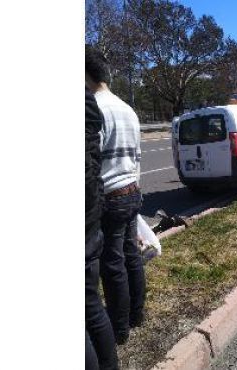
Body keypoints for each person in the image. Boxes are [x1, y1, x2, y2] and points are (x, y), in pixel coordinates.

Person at [85, 48, 146, 345]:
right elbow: (137, 157)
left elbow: (91, 163)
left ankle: (119, 330)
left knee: (112, 265)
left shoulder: (93, 107)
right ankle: (137, 314)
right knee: (131, 256)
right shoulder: (127, 108)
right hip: (132, 190)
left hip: (110, 195)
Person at [86, 87, 120, 370]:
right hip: (92, 207)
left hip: (98, 200)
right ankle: (123, 328)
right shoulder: (91, 101)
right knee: (91, 301)